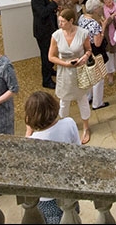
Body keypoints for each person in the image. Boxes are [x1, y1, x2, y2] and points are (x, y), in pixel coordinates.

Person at [24, 91, 82, 224]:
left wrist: (28, 130)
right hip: (69, 185)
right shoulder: (69, 123)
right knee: (73, 215)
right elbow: (78, 151)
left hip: (47, 196)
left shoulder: (34, 140)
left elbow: (25, 156)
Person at [49, 8, 93, 145]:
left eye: (62, 21)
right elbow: (51, 57)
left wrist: (85, 57)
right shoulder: (56, 36)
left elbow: (89, 50)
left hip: (79, 71)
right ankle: (63, 128)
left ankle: (86, 128)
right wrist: (65, 63)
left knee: (82, 99)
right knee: (64, 101)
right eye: (59, 21)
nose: (60, 24)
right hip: (64, 71)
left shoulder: (82, 33)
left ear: (71, 21)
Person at [78, 0, 109, 111]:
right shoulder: (94, 24)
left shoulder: (82, 18)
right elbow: (98, 43)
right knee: (98, 77)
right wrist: (104, 26)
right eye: (100, 7)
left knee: (89, 74)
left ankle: (89, 96)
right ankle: (97, 102)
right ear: (96, 9)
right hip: (95, 51)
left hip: (85, 49)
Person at [31, 0, 58, 89]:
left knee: (50, 52)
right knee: (46, 55)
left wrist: (54, 7)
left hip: (49, 28)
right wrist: (55, 3)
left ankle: (50, 69)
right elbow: (42, 13)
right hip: (43, 31)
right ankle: (46, 80)